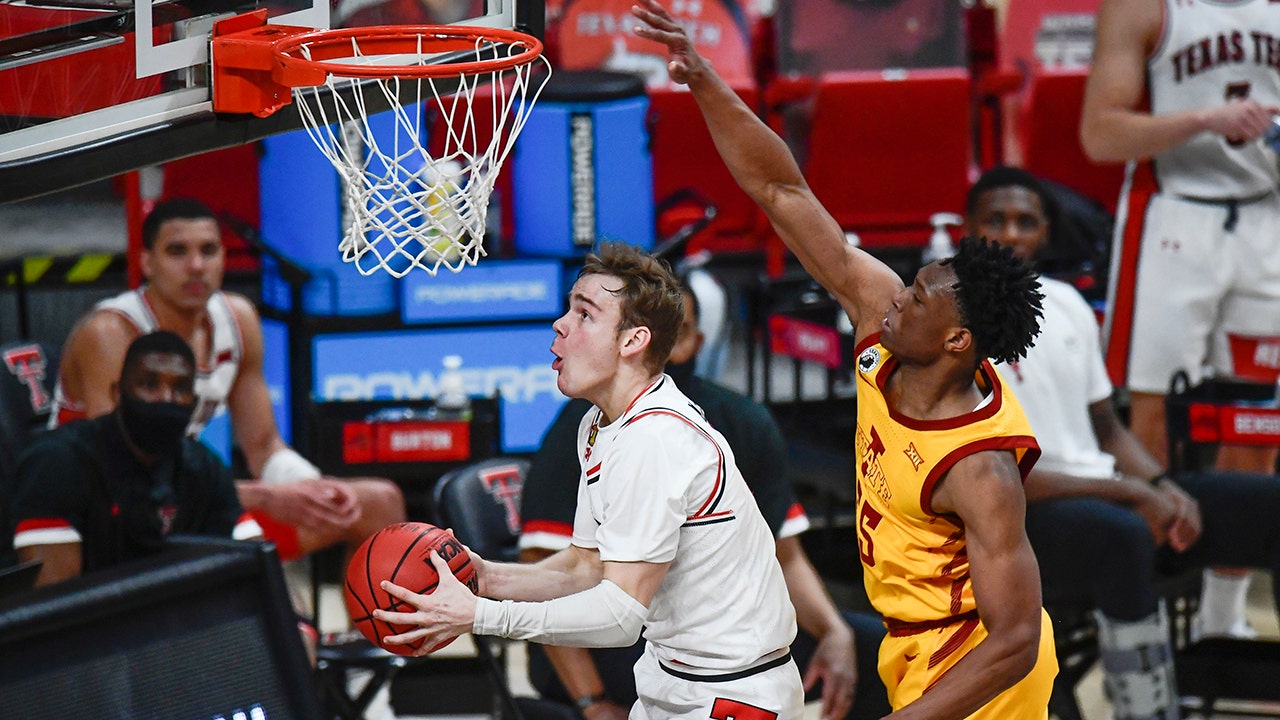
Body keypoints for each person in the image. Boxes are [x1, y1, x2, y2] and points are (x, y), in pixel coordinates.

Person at [633, 2, 1058, 717]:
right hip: (909, 643)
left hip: (981, 669)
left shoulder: (980, 468)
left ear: (958, 342)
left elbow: (1013, 637)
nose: (898, 301)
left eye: (920, 300)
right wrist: (706, 81)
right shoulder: (880, 328)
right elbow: (782, 192)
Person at [376, 242, 805, 719]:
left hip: (732, 695)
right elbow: (585, 567)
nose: (560, 325)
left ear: (631, 341)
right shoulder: (600, 424)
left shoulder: (656, 439)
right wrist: (485, 577)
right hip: (672, 681)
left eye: (584, 315)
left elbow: (621, 616)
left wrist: (481, 617)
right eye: (567, 310)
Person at [967, 166, 1280, 720]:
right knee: (1122, 534)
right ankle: (1145, 710)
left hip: (1104, 492)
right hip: (1016, 516)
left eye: (1025, 222)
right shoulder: (954, 321)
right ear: (968, 228)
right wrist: (1133, 494)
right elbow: (998, 472)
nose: (1011, 234)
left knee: (1264, 505)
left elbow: (1108, 428)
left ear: (1044, 232)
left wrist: (1160, 485)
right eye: (996, 220)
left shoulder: (1065, 304)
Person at [518, 275, 891, 720]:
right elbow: (548, 567)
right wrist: (591, 702)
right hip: (613, 636)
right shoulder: (586, 426)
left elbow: (785, 556)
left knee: (872, 652)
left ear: (693, 341)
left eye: (673, 331)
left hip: (706, 628)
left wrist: (834, 632)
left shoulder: (744, 420)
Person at [48, 198, 405, 567]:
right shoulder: (111, 333)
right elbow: (124, 474)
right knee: (260, 582)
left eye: (208, 250)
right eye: (177, 252)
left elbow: (264, 446)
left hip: (181, 503)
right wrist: (265, 498)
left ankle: (372, 622)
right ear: (146, 262)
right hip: (100, 513)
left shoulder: (237, 319)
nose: (196, 266)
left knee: (378, 503)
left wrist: (310, 489)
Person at [1080, 0, 1280, 638]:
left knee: (1257, 424)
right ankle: (1145, 616)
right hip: (1174, 215)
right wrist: (1203, 120)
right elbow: (1100, 135)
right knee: (1151, 425)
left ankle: (1222, 618)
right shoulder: (1146, 9)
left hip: (1266, 215)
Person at [9, 331, 262, 588]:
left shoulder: (204, 466)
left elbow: (257, 565)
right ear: (118, 393)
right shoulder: (57, 463)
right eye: (150, 385)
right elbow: (54, 606)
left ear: (193, 402)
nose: (166, 398)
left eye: (180, 388)